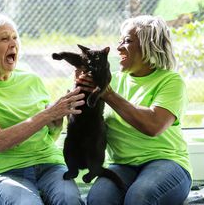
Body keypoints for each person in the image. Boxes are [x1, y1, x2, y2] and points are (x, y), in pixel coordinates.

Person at [0, 10, 86, 205]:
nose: (13, 44)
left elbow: (50, 134)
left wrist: (56, 119)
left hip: (49, 164)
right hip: (5, 172)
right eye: (4, 39)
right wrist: (48, 114)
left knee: (69, 201)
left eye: (15, 38)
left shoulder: (32, 80)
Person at [76, 15, 193, 205]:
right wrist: (80, 94)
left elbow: (153, 125)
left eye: (128, 41)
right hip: (122, 164)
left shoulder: (171, 81)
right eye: (120, 41)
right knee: (98, 200)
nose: (119, 47)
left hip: (166, 162)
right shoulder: (112, 81)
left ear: (150, 45)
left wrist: (108, 94)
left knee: (139, 197)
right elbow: (87, 128)